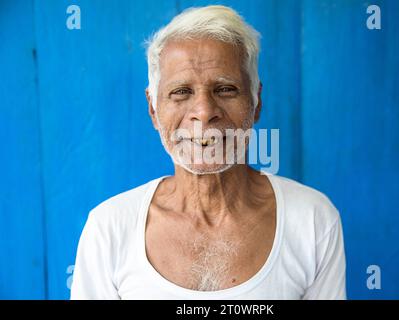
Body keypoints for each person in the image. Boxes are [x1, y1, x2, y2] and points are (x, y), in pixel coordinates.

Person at [71, 5, 346, 300]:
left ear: (256, 102)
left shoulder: (312, 220)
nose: (203, 113)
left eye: (226, 89)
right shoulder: (109, 229)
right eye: (181, 92)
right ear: (153, 108)